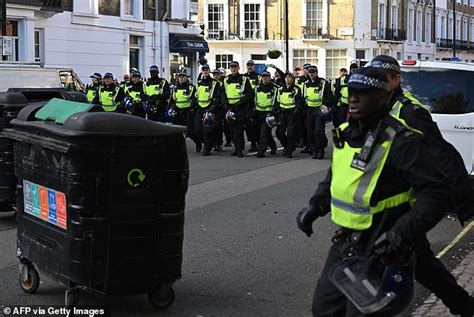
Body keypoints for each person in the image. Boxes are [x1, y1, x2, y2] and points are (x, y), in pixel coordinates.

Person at [296, 67, 454, 316]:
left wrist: (400, 235)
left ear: (381, 97)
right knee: (324, 309)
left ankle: (463, 305)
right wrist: (316, 205)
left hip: (382, 245)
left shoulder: (401, 140)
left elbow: (435, 193)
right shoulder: (345, 132)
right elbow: (336, 174)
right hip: (345, 243)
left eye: (363, 93)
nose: (354, 98)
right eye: (351, 92)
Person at [368, 55, 474, 316]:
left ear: (396, 80)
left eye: (383, 79)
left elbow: (442, 152)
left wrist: (461, 196)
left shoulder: (409, 112)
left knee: (384, 266)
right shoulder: (373, 106)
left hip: (401, 205)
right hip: (377, 203)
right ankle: (465, 307)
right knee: (424, 266)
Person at [302, 65, 333, 159]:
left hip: (319, 110)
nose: (311, 74)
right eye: (310, 72)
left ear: (316, 73)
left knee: (318, 132)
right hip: (309, 110)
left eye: (313, 72)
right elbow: (304, 98)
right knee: (310, 132)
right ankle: (314, 150)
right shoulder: (306, 84)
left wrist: (326, 105)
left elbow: (330, 96)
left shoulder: (323, 83)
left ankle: (321, 150)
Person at [223, 61, 253, 157]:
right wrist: (226, 105)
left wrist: (241, 102)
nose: (233, 69)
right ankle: (237, 147)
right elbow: (223, 94)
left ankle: (239, 150)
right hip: (229, 108)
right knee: (231, 130)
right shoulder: (226, 80)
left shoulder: (244, 79)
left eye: (235, 67)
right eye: (231, 67)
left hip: (240, 108)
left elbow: (250, 94)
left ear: (238, 68)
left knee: (238, 130)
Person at [195, 64, 226, 156]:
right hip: (200, 108)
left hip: (210, 109)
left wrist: (212, 108)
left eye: (206, 70)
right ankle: (205, 143)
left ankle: (207, 148)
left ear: (209, 71)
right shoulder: (199, 82)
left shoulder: (214, 83)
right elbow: (196, 95)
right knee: (197, 129)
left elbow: (217, 97)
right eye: (203, 70)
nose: (205, 71)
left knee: (207, 130)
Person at [275, 72, 303, 158]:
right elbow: (277, 101)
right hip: (282, 113)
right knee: (279, 132)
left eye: (289, 77)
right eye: (286, 77)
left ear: (293, 79)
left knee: (291, 133)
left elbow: (299, 102)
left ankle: (289, 151)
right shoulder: (280, 89)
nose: (287, 79)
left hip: (292, 113)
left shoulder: (296, 89)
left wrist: (296, 111)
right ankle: (286, 146)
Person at [169, 71, 198, 147]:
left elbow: (194, 99)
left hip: (187, 112)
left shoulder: (191, 87)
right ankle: (179, 147)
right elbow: (172, 100)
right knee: (176, 132)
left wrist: (192, 108)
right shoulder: (175, 88)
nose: (181, 78)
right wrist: (170, 108)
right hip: (177, 112)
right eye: (180, 77)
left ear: (186, 78)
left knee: (190, 132)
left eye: (183, 77)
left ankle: (198, 143)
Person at [254, 71, 278, 158]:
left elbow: (277, 101)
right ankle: (273, 146)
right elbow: (254, 100)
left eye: (266, 76)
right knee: (261, 132)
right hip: (258, 113)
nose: (264, 78)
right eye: (263, 76)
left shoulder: (275, 88)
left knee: (264, 132)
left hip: (269, 114)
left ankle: (261, 150)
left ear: (270, 77)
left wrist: (274, 112)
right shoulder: (257, 88)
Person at [243, 60, 262, 152]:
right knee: (248, 125)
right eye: (248, 65)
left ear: (254, 66)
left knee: (256, 124)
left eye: (251, 65)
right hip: (246, 104)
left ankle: (259, 142)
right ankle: (252, 142)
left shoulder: (258, 77)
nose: (249, 67)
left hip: (256, 103)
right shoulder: (243, 77)